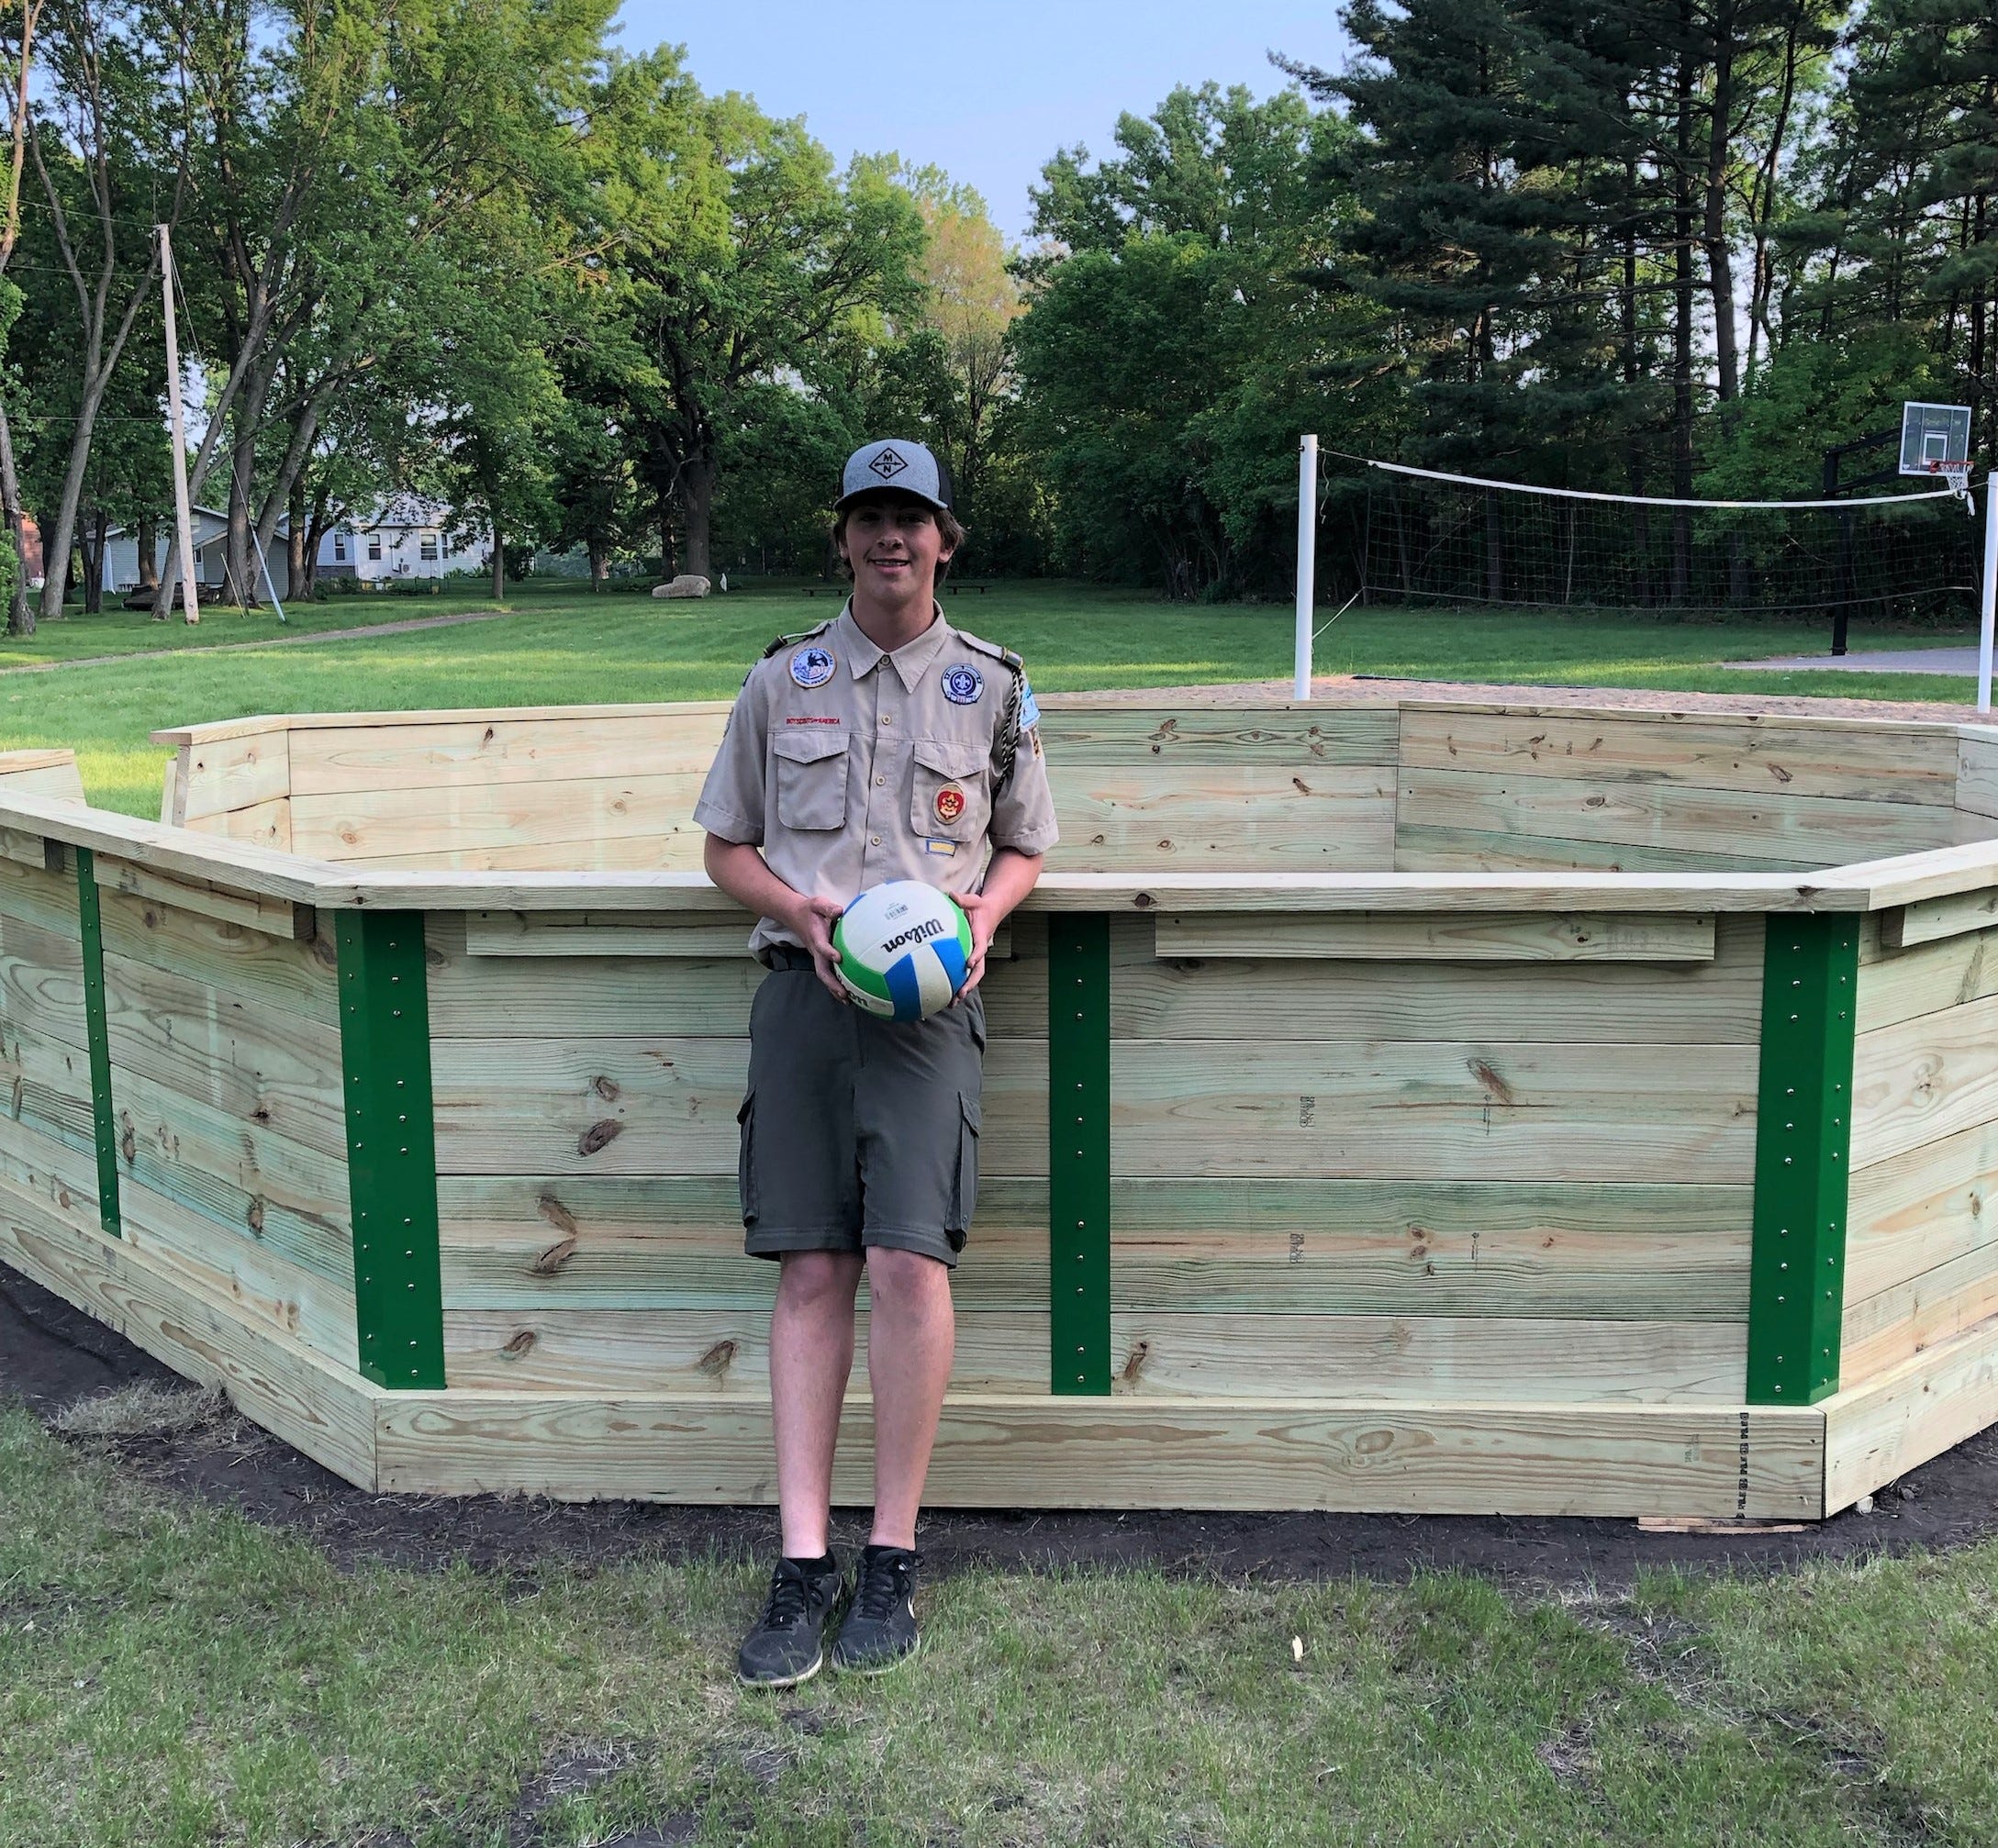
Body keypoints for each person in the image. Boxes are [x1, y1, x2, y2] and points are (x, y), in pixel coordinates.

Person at [694, 439, 1058, 1686]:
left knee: (908, 1264)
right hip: (805, 999)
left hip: (929, 1014)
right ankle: (803, 1564)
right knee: (811, 1266)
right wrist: (803, 916)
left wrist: (979, 928)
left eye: (912, 518)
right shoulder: (778, 680)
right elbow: (726, 844)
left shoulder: (991, 686)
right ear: (842, 536)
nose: (890, 538)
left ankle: (890, 1558)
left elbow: (1021, 846)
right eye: (869, 517)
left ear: (944, 536)